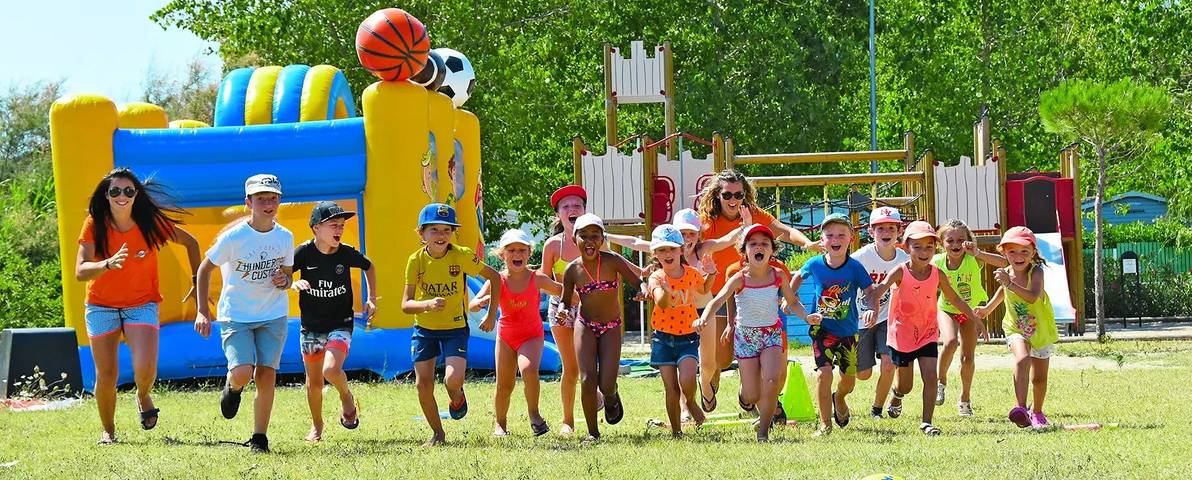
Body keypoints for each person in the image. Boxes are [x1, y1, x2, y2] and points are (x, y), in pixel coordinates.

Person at [75, 168, 201, 444]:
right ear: (106, 196)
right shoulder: (95, 223)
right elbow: (80, 270)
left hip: (141, 302)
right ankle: (108, 430)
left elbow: (191, 243)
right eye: (115, 191)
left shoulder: (149, 222)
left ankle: (143, 394)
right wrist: (106, 264)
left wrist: (196, 281)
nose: (122, 196)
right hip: (101, 305)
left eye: (129, 191)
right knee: (106, 374)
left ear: (136, 195)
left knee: (145, 367)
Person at [695, 170, 821, 408]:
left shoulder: (753, 214)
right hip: (721, 293)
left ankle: (756, 398)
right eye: (727, 195)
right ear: (717, 195)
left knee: (765, 359)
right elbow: (705, 246)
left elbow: (785, 230)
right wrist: (743, 228)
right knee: (720, 360)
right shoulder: (708, 219)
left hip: (751, 295)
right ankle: (711, 384)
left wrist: (807, 243)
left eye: (738, 195)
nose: (733, 200)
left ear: (745, 195)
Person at [194, 174, 294, 453]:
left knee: (266, 375)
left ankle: (260, 438)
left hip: (273, 314)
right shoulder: (234, 237)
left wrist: (283, 281)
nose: (268, 204)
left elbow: (287, 277)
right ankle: (233, 388)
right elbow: (204, 270)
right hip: (236, 315)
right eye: (261, 199)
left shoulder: (285, 237)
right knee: (241, 372)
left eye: (273, 198)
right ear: (248, 202)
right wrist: (203, 311)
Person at [865, 221, 988, 435]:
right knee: (906, 386)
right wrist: (871, 308)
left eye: (929, 247)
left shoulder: (937, 273)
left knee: (930, 377)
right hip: (902, 334)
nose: (924, 252)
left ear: (935, 248)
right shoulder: (900, 271)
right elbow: (878, 291)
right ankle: (897, 393)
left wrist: (975, 319)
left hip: (927, 333)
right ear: (906, 248)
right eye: (917, 247)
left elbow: (955, 299)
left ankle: (927, 422)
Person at [402, 203, 502, 446]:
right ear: (421, 234)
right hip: (424, 331)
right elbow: (405, 304)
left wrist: (490, 315)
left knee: (452, 380)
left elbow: (495, 277)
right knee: (422, 385)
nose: (441, 235)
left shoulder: (462, 255)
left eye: (447, 230)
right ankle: (438, 434)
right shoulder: (415, 261)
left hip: (455, 329)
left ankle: (456, 397)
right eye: (434, 230)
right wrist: (426, 305)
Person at [697, 224, 807, 442]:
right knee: (752, 394)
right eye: (753, 243)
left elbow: (793, 301)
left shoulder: (777, 275)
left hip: (771, 334)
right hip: (746, 337)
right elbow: (717, 300)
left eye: (765, 244)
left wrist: (807, 317)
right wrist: (703, 319)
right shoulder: (740, 278)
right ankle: (744, 395)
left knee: (772, 380)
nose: (759, 247)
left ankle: (764, 430)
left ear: (772, 250)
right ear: (745, 250)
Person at [291, 201, 377, 442]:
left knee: (331, 369)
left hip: (341, 322)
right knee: (314, 382)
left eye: (341, 225)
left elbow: (369, 267)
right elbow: (284, 273)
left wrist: (371, 299)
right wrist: (292, 283)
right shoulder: (303, 252)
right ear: (316, 228)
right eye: (333, 225)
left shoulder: (346, 252)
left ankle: (346, 396)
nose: (339, 230)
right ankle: (317, 425)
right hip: (311, 326)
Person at [788, 213, 876, 436]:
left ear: (851, 238)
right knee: (823, 374)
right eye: (829, 235)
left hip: (847, 332)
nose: (835, 239)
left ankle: (840, 397)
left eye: (841, 235)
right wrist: (789, 297)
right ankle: (825, 424)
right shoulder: (815, 264)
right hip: (821, 329)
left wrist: (871, 309)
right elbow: (798, 276)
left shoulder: (855, 267)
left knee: (849, 382)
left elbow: (869, 291)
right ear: (822, 240)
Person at [557, 213, 643, 441]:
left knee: (605, 384)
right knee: (587, 380)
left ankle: (612, 395)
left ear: (602, 239)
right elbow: (566, 299)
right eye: (583, 236)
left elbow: (636, 280)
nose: (589, 241)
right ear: (574, 239)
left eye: (595, 236)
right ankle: (593, 433)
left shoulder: (612, 260)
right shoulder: (572, 270)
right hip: (585, 325)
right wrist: (563, 309)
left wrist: (642, 290)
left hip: (611, 326)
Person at [469, 229, 564, 437]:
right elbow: (472, 304)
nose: (517, 254)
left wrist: (584, 299)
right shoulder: (497, 280)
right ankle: (500, 424)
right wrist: (482, 302)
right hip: (505, 337)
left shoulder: (536, 278)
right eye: (511, 250)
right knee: (504, 384)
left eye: (522, 250)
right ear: (502, 255)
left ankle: (534, 415)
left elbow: (561, 291)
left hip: (531, 335)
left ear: (529, 253)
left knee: (529, 369)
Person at [975, 226, 1059, 430]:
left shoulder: (1036, 272)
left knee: (1039, 379)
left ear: (1033, 253)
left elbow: (1032, 296)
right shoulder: (1007, 273)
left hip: (1040, 330)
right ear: (1003, 252)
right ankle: (1020, 408)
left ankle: (1037, 411)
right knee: (1021, 359)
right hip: (1016, 328)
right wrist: (987, 309)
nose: (1018, 256)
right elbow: (1003, 293)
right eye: (1012, 251)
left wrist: (1009, 284)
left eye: (1024, 251)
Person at [645, 224, 715, 437]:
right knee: (671, 389)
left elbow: (703, 288)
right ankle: (677, 431)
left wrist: (711, 274)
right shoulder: (656, 277)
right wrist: (665, 292)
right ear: (655, 254)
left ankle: (692, 402)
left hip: (688, 337)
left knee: (686, 381)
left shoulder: (692, 274)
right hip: (662, 339)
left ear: (681, 250)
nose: (668, 254)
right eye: (662, 250)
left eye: (672, 249)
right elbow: (662, 303)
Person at [933, 219, 1008, 416]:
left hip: (971, 312)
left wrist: (978, 253)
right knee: (949, 342)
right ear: (941, 243)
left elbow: (1004, 263)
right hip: (947, 309)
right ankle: (940, 382)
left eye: (960, 240)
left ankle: (965, 399)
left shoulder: (973, 259)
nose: (956, 245)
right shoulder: (937, 262)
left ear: (968, 241)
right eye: (950, 241)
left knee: (967, 358)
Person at [850, 207, 908, 419]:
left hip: (888, 318)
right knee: (863, 374)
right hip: (860, 317)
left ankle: (877, 409)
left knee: (888, 363)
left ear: (898, 231)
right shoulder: (860, 258)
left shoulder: (904, 259)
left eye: (891, 228)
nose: (886, 232)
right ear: (871, 232)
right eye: (880, 228)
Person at [539, 185, 587, 434]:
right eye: (566, 207)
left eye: (577, 205)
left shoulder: (596, 241)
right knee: (571, 367)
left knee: (591, 362)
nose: (572, 210)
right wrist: (567, 294)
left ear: (585, 211)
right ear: (559, 215)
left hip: (591, 306)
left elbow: (612, 271)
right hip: (561, 307)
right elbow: (542, 281)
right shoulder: (552, 246)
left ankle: (601, 394)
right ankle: (567, 421)